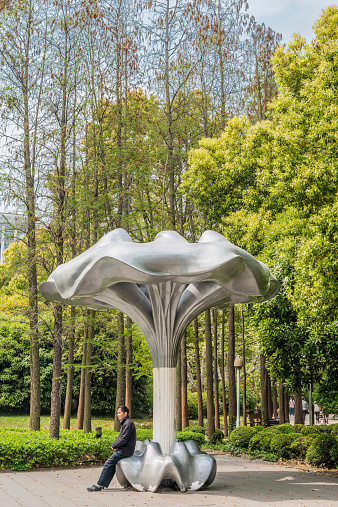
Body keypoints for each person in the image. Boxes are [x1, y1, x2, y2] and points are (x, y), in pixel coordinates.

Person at [87, 405, 136, 492]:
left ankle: (99, 485)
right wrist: (116, 445)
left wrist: (114, 445)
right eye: (117, 413)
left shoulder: (128, 423)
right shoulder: (126, 423)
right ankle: (102, 484)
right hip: (123, 449)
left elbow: (124, 439)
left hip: (125, 451)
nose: (118, 414)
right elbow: (121, 438)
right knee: (111, 463)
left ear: (125, 413)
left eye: (120, 413)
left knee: (108, 463)